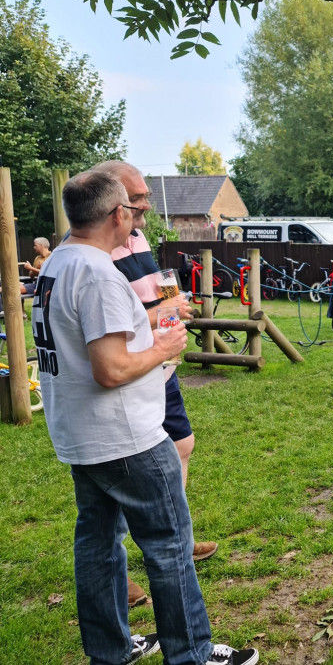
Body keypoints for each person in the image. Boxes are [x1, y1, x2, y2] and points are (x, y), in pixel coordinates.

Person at [31, 171, 258, 665]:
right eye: (132, 210)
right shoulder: (96, 274)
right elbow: (110, 369)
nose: (137, 216)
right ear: (118, 215)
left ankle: (110, 651)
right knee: (170, 546)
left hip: (81, 436)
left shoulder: (56, 266)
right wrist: (162, 348)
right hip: (126, 439)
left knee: (98, 546)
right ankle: (193, 654)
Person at [92, 159, 217, 608]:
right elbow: (115, 324)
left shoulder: (137, 234)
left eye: (146, 194)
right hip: (135, 368)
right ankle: (121, 567)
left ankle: (176, 539)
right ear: (114, 202)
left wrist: (173, 301)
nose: (147, 203)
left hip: (161, 366)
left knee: (182, 446)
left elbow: (155, 280)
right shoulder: (97, 248)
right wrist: (161, 318)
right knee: (124, 479)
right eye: (138, 197)